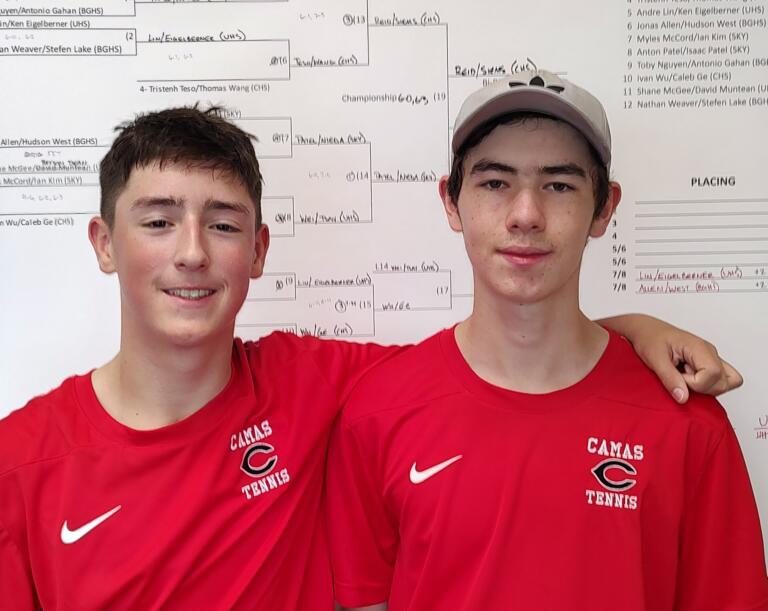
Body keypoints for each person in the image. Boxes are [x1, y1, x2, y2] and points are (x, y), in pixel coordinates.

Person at [0, 105, 744, 611]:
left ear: (257, 251)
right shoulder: (20, 465)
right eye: (158, 221)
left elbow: (511, 352)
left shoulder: (314, 384)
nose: (191, 253)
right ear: (104, 243)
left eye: (222, 224)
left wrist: (631, 333)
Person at [326, 71, 768, 611]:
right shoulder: (376, 413)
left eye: (559, 185)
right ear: (451, 202)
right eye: (495, 183)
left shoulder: (688, 424)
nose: (526, 215)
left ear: (604, 208)